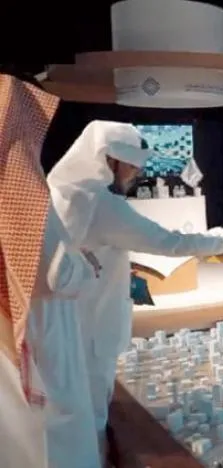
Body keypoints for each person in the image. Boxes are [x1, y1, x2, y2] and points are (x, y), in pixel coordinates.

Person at [46, 120, 223, 459]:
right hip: (93, 331)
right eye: (132, 165)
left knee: (70, 414)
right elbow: (173, 243)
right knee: (91, 418)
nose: (137, 173)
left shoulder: (61, 190)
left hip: (65, 326)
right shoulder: (102, 206)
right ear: (110, 159)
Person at [0, 72, 101, 468]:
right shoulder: (18, 191)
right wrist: (85, 264)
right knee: (54, 438)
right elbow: (58, 274)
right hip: (41, 341)